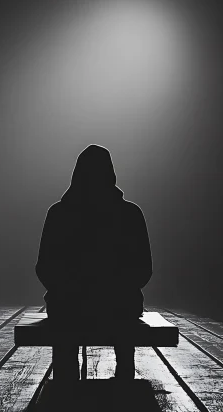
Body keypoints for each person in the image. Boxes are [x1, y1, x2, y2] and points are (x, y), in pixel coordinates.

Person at [35, 144, 153, 380]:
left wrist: (71, 288)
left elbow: (44, 268)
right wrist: (114, 287)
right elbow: (144, 270)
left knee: (64, 339)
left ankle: (65, 394)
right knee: (123, 322)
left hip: (67, 306)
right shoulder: (130, 214)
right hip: (120, 305)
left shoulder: (58, 214)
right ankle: (123, 389)